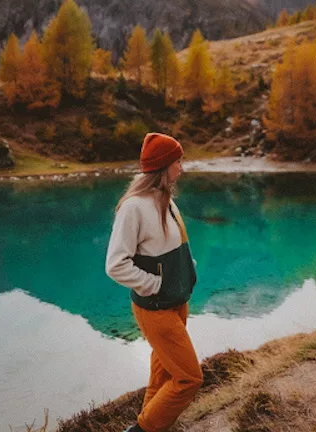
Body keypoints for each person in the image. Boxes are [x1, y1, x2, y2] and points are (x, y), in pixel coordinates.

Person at [106, 132, 203, 432]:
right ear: (163, 167)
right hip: (156, 307)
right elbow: (115, 265)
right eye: (178, 162)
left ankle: (151, 425)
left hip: (177, 302)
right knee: (189, 378)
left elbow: (173, 247)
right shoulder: (134, 207)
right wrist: (155, 284)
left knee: (162, 377)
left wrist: (187, 270)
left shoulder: (166, 200)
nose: (182, 168)